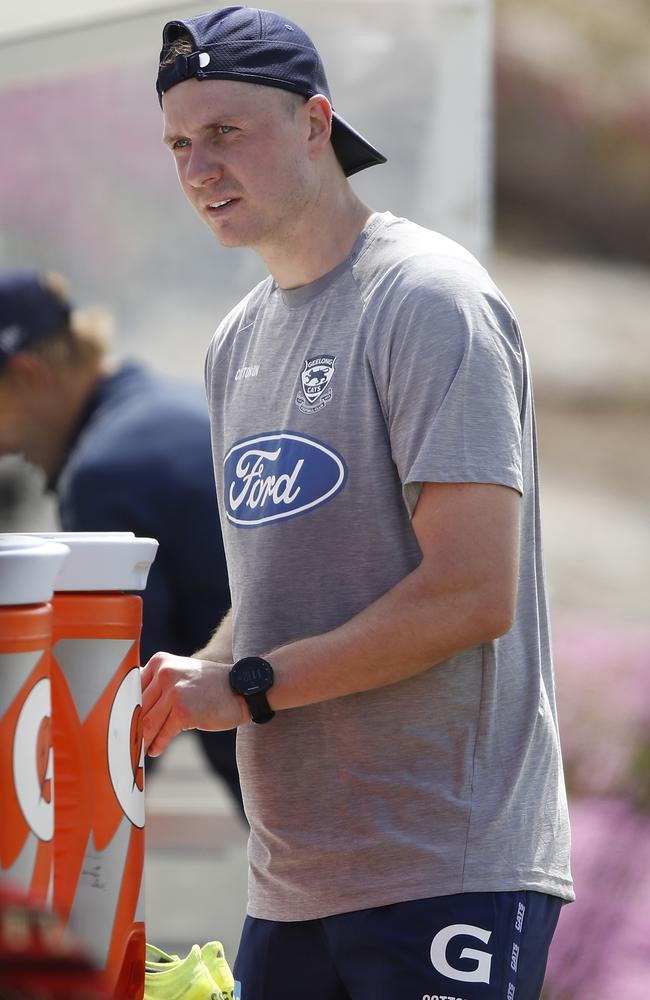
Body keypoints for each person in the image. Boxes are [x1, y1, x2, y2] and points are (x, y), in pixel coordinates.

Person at [142, 7, 575, 999]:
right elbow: (285, 591)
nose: (197, 167)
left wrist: (245, 684)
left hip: (445, 866)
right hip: (292, 884)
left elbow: (470, 595)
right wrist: (194, 675)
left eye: (223, 132)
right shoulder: (235, 341)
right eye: (176, 143)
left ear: (312, 123)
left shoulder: (427, 302)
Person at [0, 269, 243, 812]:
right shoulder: (161, 409)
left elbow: (114, 720)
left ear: (29, 374)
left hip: (326, 802)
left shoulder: (104, 474)